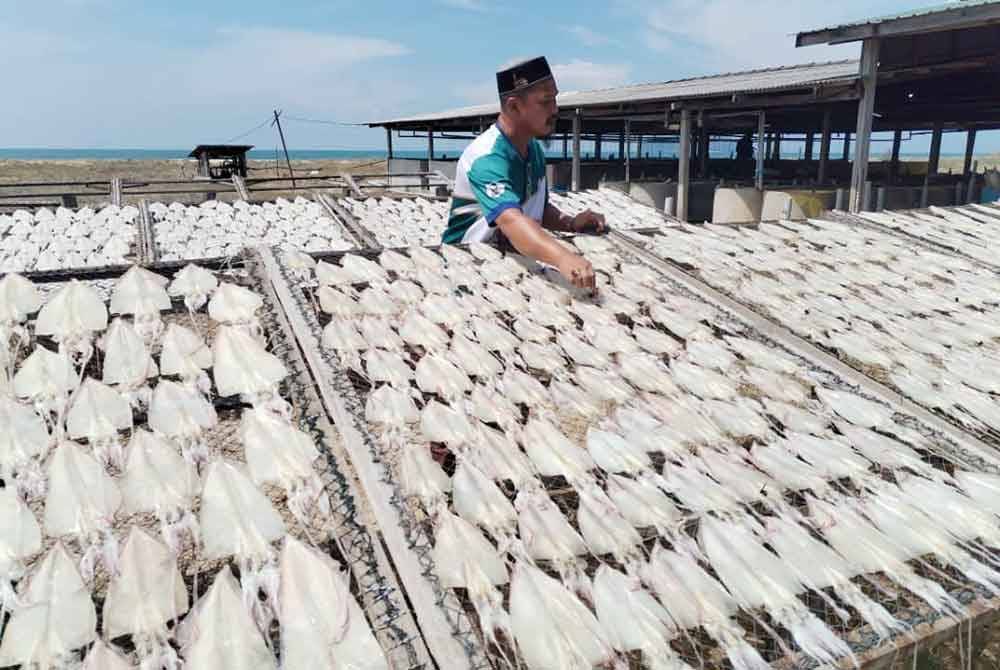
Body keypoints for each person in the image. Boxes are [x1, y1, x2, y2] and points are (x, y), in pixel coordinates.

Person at [441, 56, 606, 292]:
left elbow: (536, 209)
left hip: (511, 263)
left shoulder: (533, 148)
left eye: (555, 99)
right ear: (514, 106)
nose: (555, 109)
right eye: (546, 102)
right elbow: (512, 221)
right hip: (469, 269)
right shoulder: (486, 158)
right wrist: (562, 257)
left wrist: (571, 223)